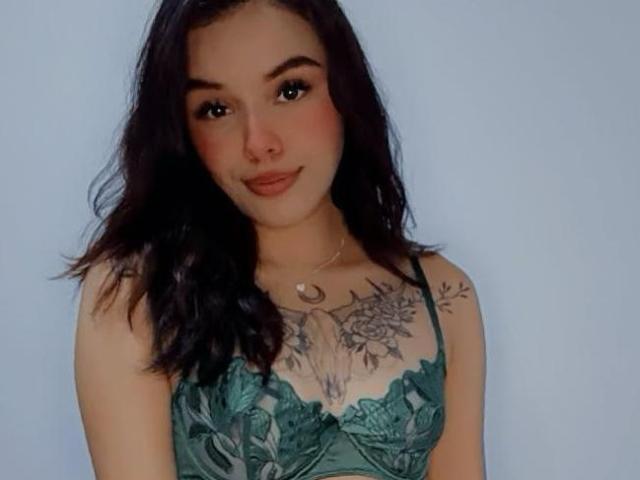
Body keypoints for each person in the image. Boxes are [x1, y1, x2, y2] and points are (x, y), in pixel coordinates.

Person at [62, 0, 486, 479]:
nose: (259, 142)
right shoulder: (136, 294)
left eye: (290, 90)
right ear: (182, 129)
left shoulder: (443, 295)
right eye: (216, 109)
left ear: (345, 88)